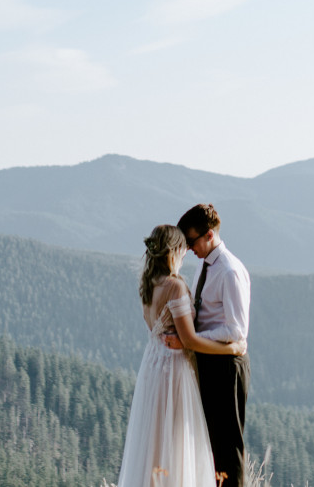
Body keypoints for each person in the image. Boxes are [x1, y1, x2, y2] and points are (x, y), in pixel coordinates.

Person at [116, 224, 247, 487]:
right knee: (176, 439)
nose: (187, 253)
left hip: (152, 367)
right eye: (183, 248)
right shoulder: (175, 286)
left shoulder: (148, 285)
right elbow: (188, 339)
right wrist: (231, 348)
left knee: (154, 437)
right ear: (173, 251)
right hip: (173, 370)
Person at [167, 204, 252, 487]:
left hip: (227, 366)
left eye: (191, 241)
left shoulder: (228, 271)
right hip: (208, 361)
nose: (189, 248)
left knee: (228, 445)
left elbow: (236, 330)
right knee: (211, 442)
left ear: (210, 235)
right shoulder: (205, 266)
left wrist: (193, 339)